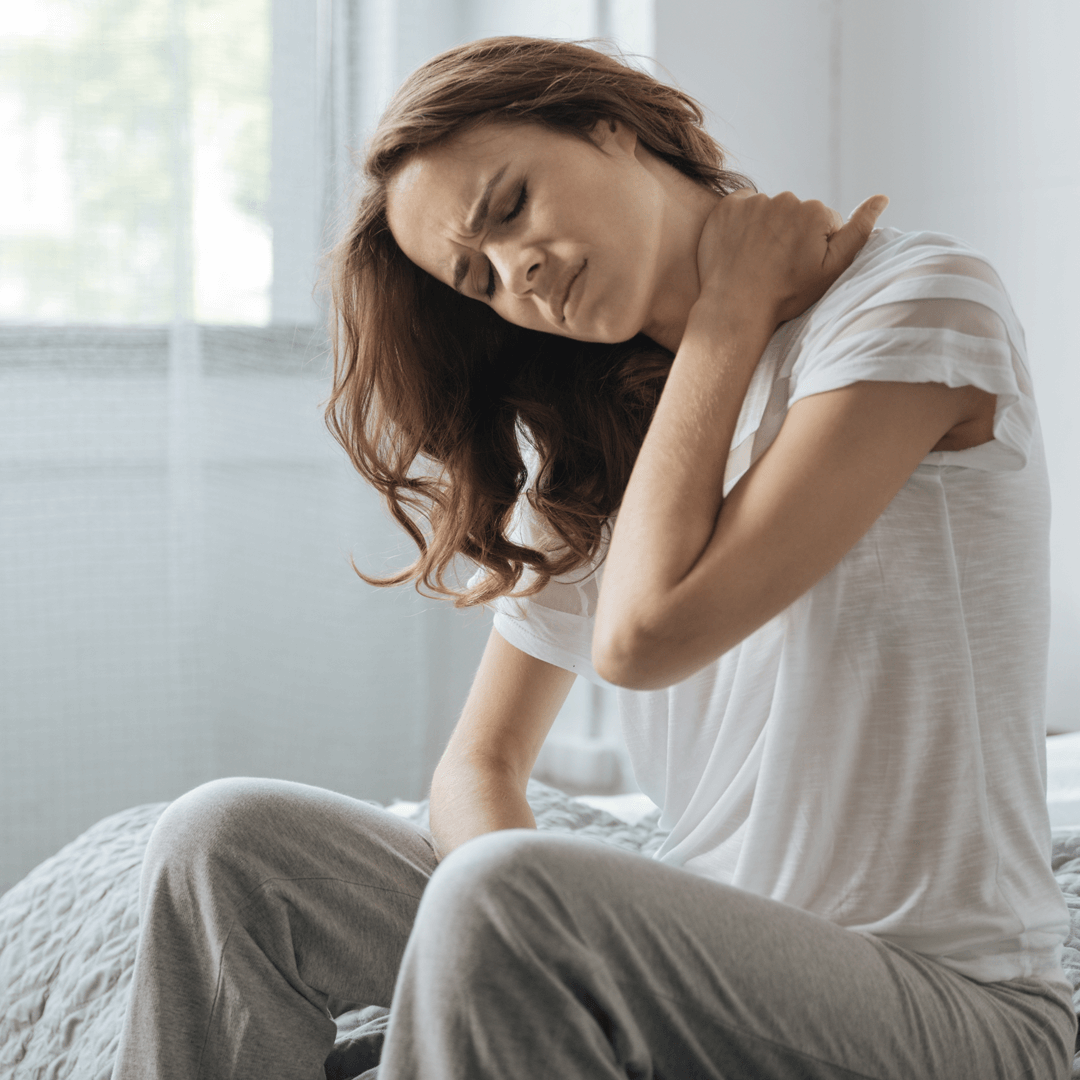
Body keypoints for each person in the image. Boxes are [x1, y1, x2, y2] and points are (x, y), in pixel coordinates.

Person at [113, 36, 1076, 1080]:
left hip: (942, 1004)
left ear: (609, 124)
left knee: (513, 897)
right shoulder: (608, 429)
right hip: (693, 967)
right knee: (225, 846)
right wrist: (474, 954)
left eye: (512, 204)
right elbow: (480, 764)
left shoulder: (915, 301)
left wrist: (728, 314)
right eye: (478, 277)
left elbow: (645, 637)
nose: (516, 272)